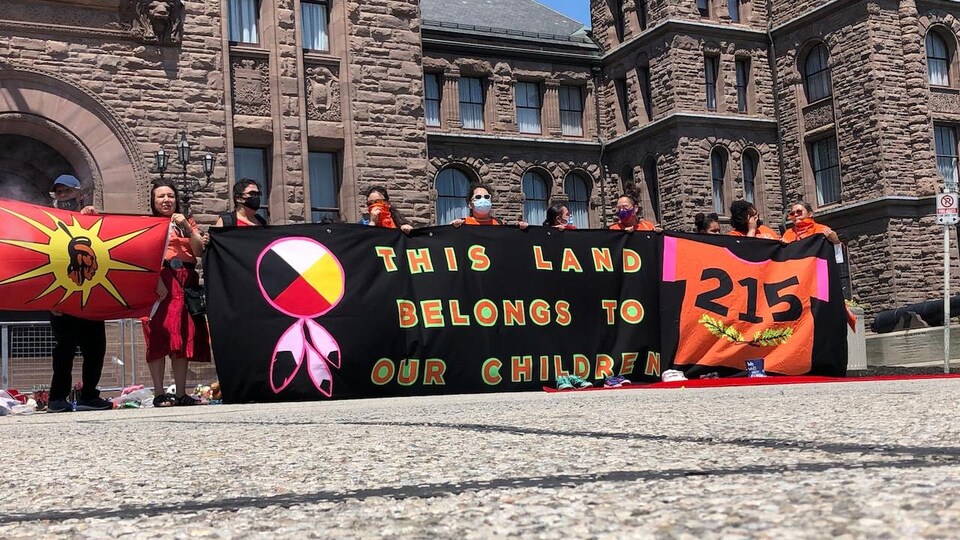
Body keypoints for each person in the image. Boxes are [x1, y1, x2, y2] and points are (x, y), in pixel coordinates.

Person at [46, 174, 113, 413]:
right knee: (65, 348)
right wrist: (49, 298)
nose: (63, 196)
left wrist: (95, 221)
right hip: (62, 297)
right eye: (59, 192)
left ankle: (89, 395)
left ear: (79, 194)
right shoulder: (48, 221)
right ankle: (57, 398)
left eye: (67, 191)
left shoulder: (91, 218)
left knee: (96, 349)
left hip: (91, 294)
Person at [143, 180, 210, 407]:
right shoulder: (148, 223)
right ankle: (159, 393)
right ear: (153, 201)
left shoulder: (186, 221)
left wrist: (188, 229)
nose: (166, 200)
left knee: (183, 336)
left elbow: (199, 250)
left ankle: (181, 393)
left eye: (170, 196)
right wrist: (155, 280)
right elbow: (141, 255)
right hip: (161, 280)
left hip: (187, 281)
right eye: (161, 196)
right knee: (159, 336)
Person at [451, 183, 528, 229]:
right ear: (470, 204)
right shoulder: (463, 223)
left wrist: (522, 229)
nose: (483, 200)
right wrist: (452, 228)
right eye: (478, 197)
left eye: (487, 197)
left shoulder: (499, 223)